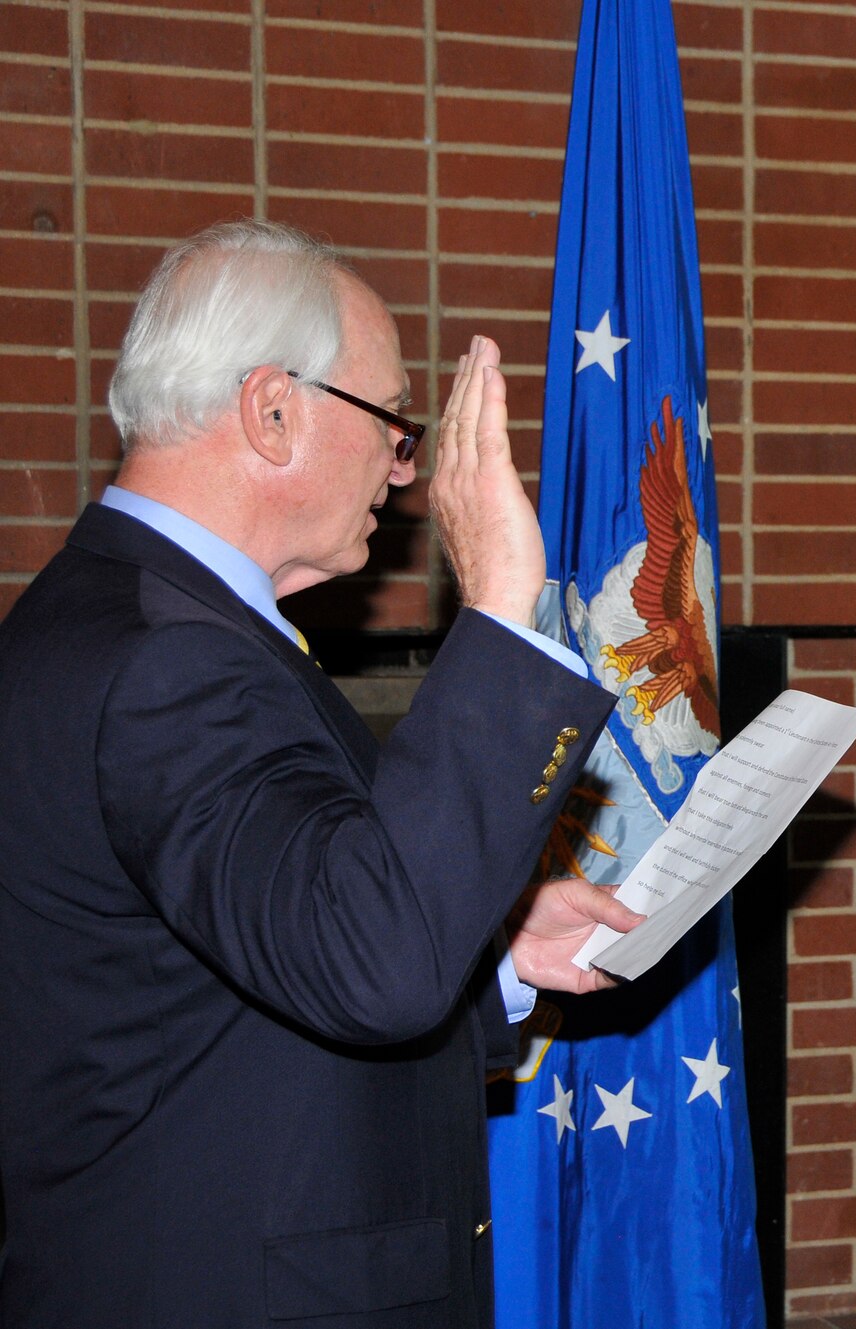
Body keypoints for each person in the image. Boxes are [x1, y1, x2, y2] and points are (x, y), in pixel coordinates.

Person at [0, 220, 642, 1327]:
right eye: (394, 424)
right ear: (273, 409)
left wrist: (487, 951)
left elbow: (265, 943)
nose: (405, 471)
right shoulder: (171, 659)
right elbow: (370, 960)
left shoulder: (115, 613)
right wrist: (498, 600)